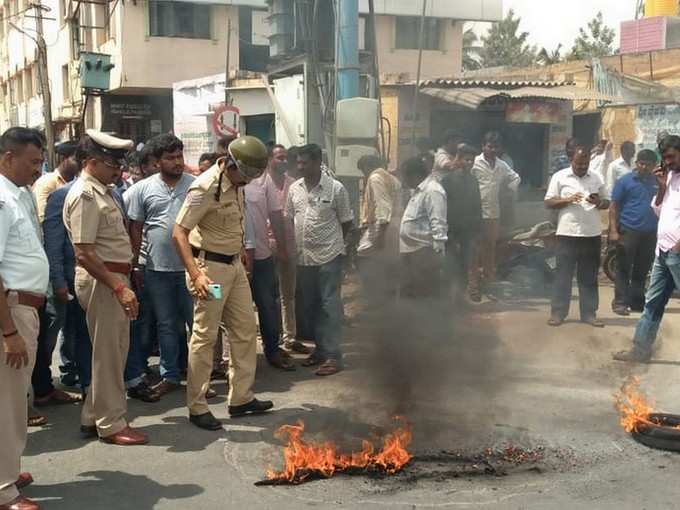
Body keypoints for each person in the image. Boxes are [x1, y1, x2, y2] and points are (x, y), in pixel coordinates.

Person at [173, 135, 274, 431]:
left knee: (244, 330)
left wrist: (240, 250)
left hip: (234, 267)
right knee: (205, 336)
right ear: (231, 164)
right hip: (210, 270)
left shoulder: (238, 183)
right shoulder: (204, 187)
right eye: (245, 176)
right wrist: (196, 274)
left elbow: (233, 222)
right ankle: (197, 406)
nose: (247, 183)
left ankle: (241, 398)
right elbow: (179, 233)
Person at [63, 130, 148, 446]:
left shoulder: (102, 190)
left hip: (112, 279)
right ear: (93, 162)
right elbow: (84, 252)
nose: (118, 170)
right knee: (110, 355)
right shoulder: (86, 194)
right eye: (112, 164)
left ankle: (92, 416)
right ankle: (111, 423)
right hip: (104, 281)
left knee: (110, 351)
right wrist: (118, 287)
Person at [0, 127, 48, 510]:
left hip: (23, 306)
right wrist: (9, 330)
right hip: (12, 309)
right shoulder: (1, 199)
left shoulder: (16, 195)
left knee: (14, 398)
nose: (38, 169)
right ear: (7, 157)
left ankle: (8, 469)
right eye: (32, 162)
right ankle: (4, 490)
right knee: (9, 403)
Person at [125, 134, 195, 396]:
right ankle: (170, 375)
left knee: (196, 324)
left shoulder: (195, 186)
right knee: (165, 324)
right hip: (156, 269)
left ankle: (201, 378)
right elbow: (136, 228)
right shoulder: (143, 189)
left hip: (192, 270)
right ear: (156, 162)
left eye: (180, 156)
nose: (177, 162)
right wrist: (134, 265)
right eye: (170, 157)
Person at [287, 144, 354, 376]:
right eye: (298, 162)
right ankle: (320, 350)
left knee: (329, 306)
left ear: (317, 162)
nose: (300, 166)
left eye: (304, 163)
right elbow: (290, 218)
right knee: (312, 306)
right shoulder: (294, 189)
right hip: (304, 258)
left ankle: (334, 356)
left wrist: (340, 250)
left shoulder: (336, 189)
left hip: (329, 257)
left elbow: (347, 222)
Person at [614, 136, 680, 363]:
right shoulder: (669, 177)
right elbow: (658, 211)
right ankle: (640, 352)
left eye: (672, 156)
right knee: (652, 304)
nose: (668, 162)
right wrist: (662, 187)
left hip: (678, 252)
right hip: (663, 252)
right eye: (665, 158)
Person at [545, 144, 610, 328]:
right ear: (571, 160)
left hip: (591, 234)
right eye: (579, 163)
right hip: (567, 234)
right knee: (563, 275)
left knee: (588, 276)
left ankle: (589, 314)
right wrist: (566, 200)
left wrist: (599, 202)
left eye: (585, 163)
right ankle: (558, 313)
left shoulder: (596, 177)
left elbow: (607, 202)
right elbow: (548, 202)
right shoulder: (560, 177)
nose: (582, 167)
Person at [244, 145, 295, 370]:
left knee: (268, 306)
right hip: (231, 258)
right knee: (235, 311)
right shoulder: (220, 182)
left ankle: (272, 350)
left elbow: (276, 215)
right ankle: (235, 360)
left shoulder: (263, 181)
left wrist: (282, 248)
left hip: (262, 256)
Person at [43, 168, 92, 396]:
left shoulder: (112, 194)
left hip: (101, 280)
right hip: (73, 278)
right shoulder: (61, 196)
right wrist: (59, 281)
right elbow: (53, 243)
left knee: (91, 335)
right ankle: (85, 383)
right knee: (75, 332)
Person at [268, 145, 309, 355]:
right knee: (270, 296)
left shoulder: (293, 185)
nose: (284, 161)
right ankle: (272, 339)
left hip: (290, 246)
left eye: (285, 157)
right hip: (266, 248)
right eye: (279, 157)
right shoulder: (260, 184)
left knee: (288, 295)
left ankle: (290, 337)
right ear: (270, 159)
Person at [608, 149, 659, 316]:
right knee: (623, 268)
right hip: (628, 230)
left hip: (650, 232)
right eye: (641, 163)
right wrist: (614, 230)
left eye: (648, 164)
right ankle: (620, 302)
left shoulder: (657, 182)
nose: (644, 167)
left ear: (653, 166)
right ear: (636, 163)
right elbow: (614, 206)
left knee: (642, 269)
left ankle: (637, 302)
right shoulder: (625, 181)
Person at [471, 132, 521, 294]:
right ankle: (473, 285)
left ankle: (489, 284)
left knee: (490, 249)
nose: (492, 149)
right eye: (489, 146)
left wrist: (508, 191)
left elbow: (516, 178)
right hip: (475, 214)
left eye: (496, 147)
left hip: (493, 214)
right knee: (475, 250)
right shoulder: (475, 162)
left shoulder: (501, 165)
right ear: (483, 146)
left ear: (500, 148)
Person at [399, 157, 448, 299]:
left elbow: (438, 221)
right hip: (411, 250)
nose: (404, 180)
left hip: (423, 251)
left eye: (405, 176)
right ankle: (413, 319)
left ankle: (427, 319)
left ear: (415, 175)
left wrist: (438, 251)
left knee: (424, 291)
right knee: (411, 290)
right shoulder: (419, 190)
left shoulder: (433, 191)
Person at [440, 144, 483, 302]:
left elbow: (477, 206)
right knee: (450, 264)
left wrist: (478, 229)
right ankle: (447, 298)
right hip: (451, 230)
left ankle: (460, 298)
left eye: (472, 160)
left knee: (465, 264)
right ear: (458, 159)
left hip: (468, 231)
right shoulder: (447, 181)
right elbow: (442, 208)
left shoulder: (473, 181)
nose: (470, 163)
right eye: (467, 159)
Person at [356, 154, 402, 298]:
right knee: (388, 259)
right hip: (394, 222)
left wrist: (381, 233)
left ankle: (374, 294)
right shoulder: (392, 178)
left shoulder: (375, 178)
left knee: (361, 255)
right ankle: (389, 294)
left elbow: (382, 205)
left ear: (367, 167)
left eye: (363, 170)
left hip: (381, 225)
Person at [32, 141, 79, 223]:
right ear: (63, 159)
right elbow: (42, 218)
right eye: (76, 160)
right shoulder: (47, 182)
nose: (80, 164)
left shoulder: (78, 183)